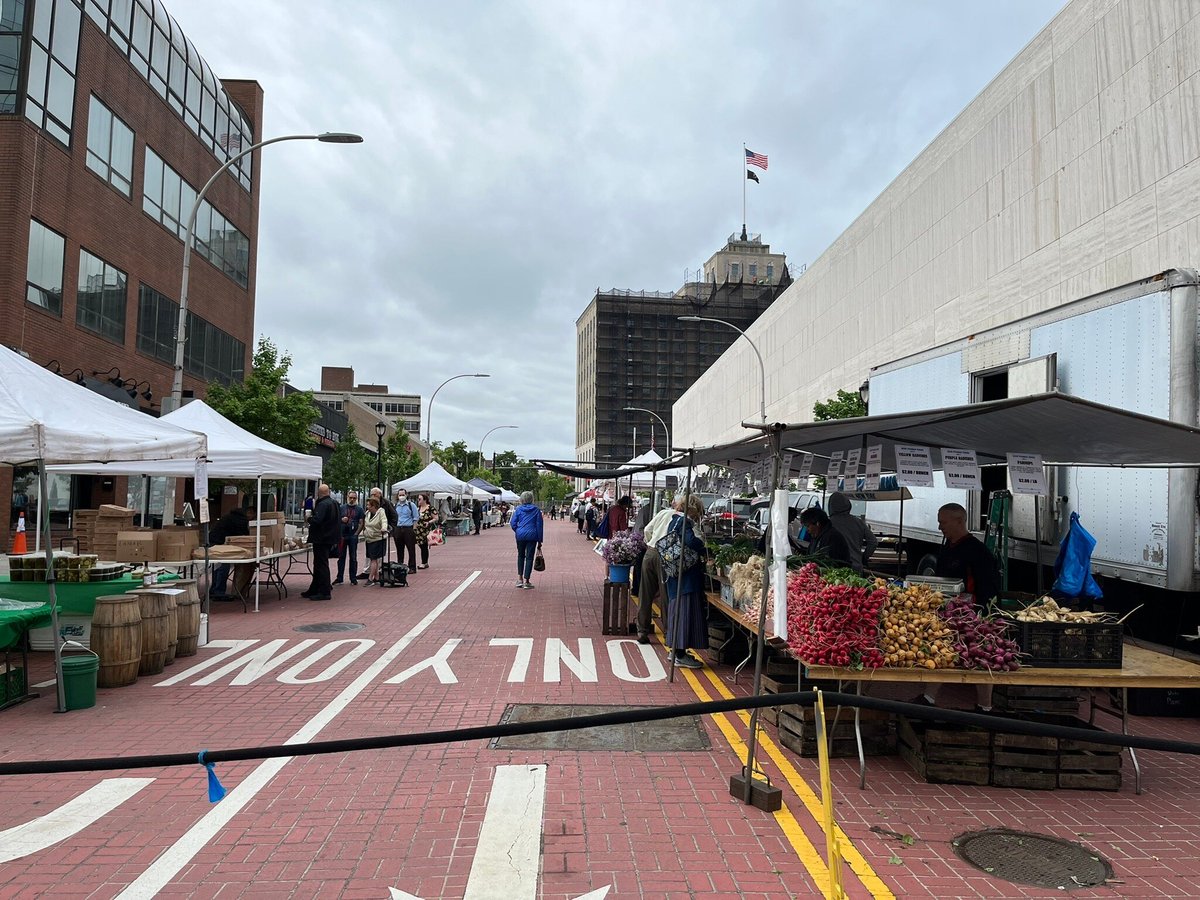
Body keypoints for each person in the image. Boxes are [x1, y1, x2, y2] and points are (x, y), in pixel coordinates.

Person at [921, 502, 1004, 712]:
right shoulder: (947, 547)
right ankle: (928, 698)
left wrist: (982, 617)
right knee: (940, 653)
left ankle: (985, 707)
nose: (940, 527)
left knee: (982, 659)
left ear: (959, 521)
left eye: (943, 522)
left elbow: (990, 588)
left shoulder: (978, 552)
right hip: (948, 613)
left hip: (974, 617)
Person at [663, 494, 707, 668]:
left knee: (677, 611)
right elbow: (689, 541)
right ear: (692, 509)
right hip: (686, 577)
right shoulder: (684, 522)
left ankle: (676, 651)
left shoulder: (673, 521)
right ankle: (680, 654)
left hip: (675, 573)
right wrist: (703, 548)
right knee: (684, 613)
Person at [637, 497, 679, 644]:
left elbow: (647, 529)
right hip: (665, 555)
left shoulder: (663, 513)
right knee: (665, 595)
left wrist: (650, 543)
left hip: (650, 552)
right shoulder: (682, 518)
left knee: (645, 594)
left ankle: (642, 630)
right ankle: (668, 633)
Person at [303, 484, 339, 601]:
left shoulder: (323, 504)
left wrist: (309, 518)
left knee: (321, 564)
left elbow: (318, 520)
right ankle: (315, 588)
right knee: (319, 564)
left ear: (319, 493)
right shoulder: (334, 503)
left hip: (321, 538)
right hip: (329, 537)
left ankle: (324, 591)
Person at [828, 492, 878, 574]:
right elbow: (873, 542)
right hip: (856, 566)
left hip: (834, 567)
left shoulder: (828, 523)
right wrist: (863, 558)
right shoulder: (858, 522)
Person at [208, 503, 249, 597]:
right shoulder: (240, 520)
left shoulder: (229, 517)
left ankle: (214, 589)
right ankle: (219, 591)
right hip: (220, 543)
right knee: (223, 566)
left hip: (213, 541)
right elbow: (242, 535)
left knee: (217, 566)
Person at [510, 490, 544, 589]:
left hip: (520, 535)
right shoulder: (536, 510)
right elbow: (539, 526)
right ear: (531, 499)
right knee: (529, 557)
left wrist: (518, 530)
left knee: (521, 556)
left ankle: (519, 579)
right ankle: (527, 581)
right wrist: (540, 540)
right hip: (532, 535)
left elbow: (513, 523)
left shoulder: (518, 509)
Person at [334, 491, 365, 585]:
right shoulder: (341, 508)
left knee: (353, 557)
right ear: (347, 497)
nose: (352, 500)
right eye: (350, 497)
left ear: (356, 499)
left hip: (352, 536)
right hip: (342, 536)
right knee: (341, 557)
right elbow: (336, 519)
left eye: (354, 498)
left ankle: (353, 578)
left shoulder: (359, 509)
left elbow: (361, 522)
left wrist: (356, 534)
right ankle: (339, 578)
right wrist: (341, 520)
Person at [361, 496, 388, 585]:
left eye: (369, 505)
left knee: (374, 559)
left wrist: (384, 528)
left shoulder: (381, 512)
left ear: (374, 506)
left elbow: (384, 521)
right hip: (369, 539)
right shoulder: (367, 513)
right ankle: (376, 577)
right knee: (373, 559)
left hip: (378, 539)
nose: (367, 506)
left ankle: (370, 578)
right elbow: (365, 523)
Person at [393, 488, 420, 571]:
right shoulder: (395, 506)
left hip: (408, 528)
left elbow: (416, 517)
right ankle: (400, 566)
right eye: (400, 495)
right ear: (397, 496)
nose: (401, 496)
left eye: (403, 495)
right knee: (399, 549)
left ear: (406, 495)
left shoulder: (411, 505)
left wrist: (414, 529)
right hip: (398, 528)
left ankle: (412, 567)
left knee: (411, 549)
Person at [413, 493, 438, 569]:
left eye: (420, 499)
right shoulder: (418, 508)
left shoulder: (430, 508)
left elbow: (436, 518)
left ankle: (424, 562)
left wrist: (429, 522)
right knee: (421, 545)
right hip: (418, 530)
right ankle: (424, 562)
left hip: (426, 530)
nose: (418, 500)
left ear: (425, 500)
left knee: (424, 546)